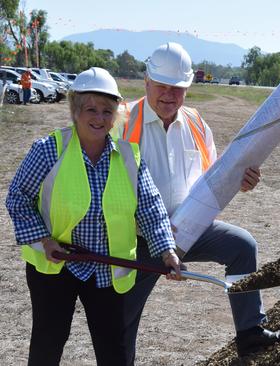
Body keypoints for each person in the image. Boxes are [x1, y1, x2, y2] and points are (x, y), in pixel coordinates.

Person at [117, 42, 280, 359]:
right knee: (120, 326)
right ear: (146, 81)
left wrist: (241, 182)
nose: (169, 96)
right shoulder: (121, 121)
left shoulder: (196, 122)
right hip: (136, 239)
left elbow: (213, 180)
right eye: (162, 86)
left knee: (242, 246)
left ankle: (250, 333)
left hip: (189, 229)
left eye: (178, 88)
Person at [5, 67, 182, 366]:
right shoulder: (50, 150)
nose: (99, 118)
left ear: (116, 116)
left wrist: (167, 251)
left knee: (114, 348)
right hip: (57, 265)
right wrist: (44, 240)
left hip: (106, 269)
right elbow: (18, 198)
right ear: (75, 111)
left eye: (106, 111)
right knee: (48, 342)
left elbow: (151, 207)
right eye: (91, 109)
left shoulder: (129, 157)